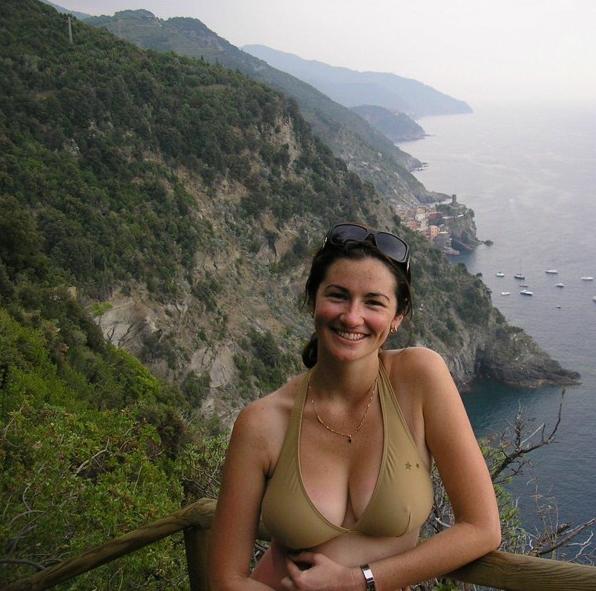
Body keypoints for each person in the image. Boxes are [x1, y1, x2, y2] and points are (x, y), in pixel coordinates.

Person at [209, 222, 501, 591]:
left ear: (397, 317)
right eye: (337, 296)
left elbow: (482, 529)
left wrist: (358, 581)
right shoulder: (262, 423)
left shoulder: (419, 379)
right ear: (313, 300)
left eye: (374, 302)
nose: (351, 316)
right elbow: (224, 579)